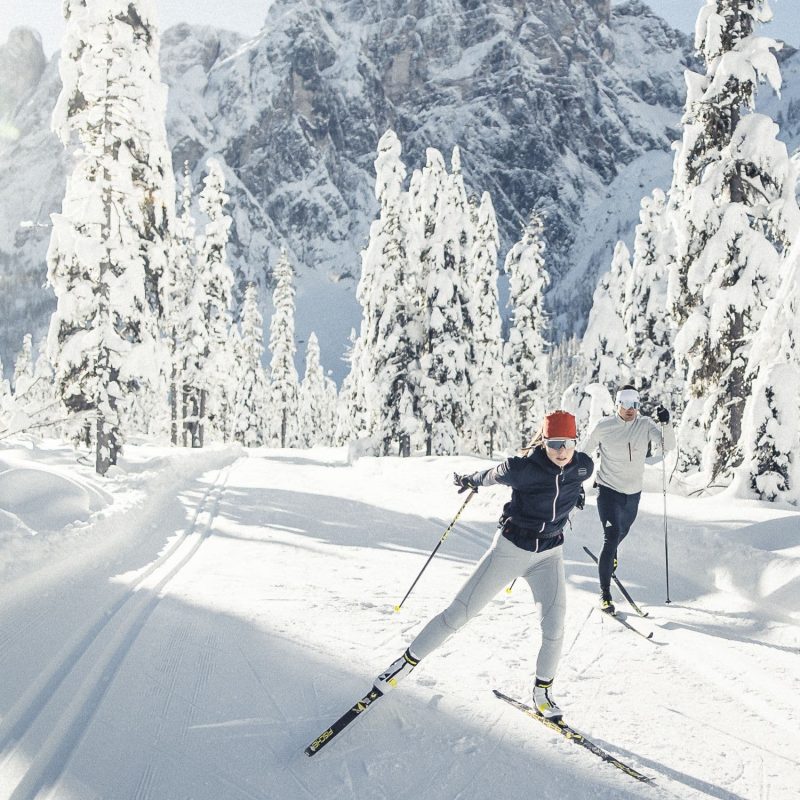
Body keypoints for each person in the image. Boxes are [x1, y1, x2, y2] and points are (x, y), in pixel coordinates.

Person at [373, 410, 593, 721]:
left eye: (568, 443)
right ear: (544, 442)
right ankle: (403, 664)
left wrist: (577, 494)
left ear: (575, 442)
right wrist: (470, 480)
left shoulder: (583, 466)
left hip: (549, 556)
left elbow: (573, 482)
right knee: (458, 614)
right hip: (511, 550)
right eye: (555, 443)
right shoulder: (522, 469)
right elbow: (491, 475)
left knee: (555, 627)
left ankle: (543, 692)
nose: (561, 451)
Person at [581, 385, 675, 614]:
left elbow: (668, 446)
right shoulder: (604, 426)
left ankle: (611, 555)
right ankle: (605, 594)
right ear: (617, 404)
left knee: (622, 532)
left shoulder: (645, 425)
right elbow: (583, 454)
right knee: (611, 536)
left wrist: (666, 424)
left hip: (633, 493)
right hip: (608, 490)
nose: (631, 408)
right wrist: (574, 484)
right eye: (626, 403)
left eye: (635, 404)